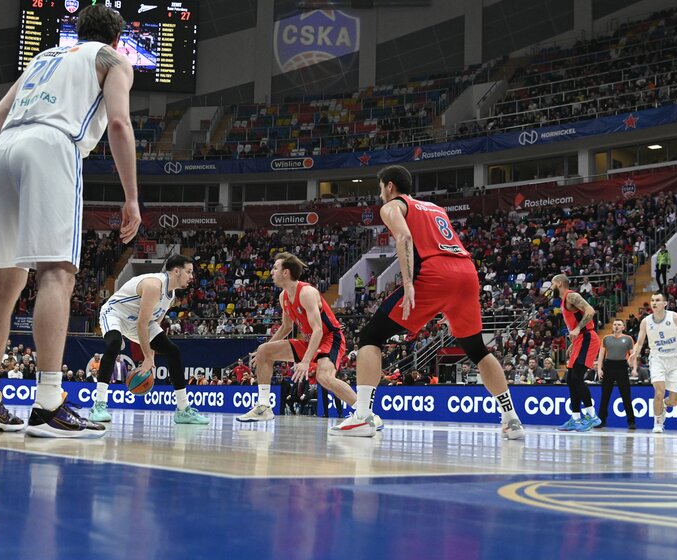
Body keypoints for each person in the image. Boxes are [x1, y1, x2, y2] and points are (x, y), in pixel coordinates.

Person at [0, 5, 141, 437]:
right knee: (57, 274)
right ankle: (47, 404)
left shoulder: (43, 56)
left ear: (76, 32)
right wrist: (132, 198)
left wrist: (3, 178)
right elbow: (119, 123)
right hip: (51, 144)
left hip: (5, 148)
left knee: (4, 285)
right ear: (117, 41)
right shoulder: (112, 60)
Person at [330, 165, 523, 438]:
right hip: (466, 272)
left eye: (380, 188)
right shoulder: (435, 208)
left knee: (370, 336)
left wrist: (408, 282)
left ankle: (363, 415)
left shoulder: (392, 206)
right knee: (477, 349)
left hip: (434, 274)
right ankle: (511, 420)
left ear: (389, 186)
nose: (380, 194)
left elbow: (405, 236)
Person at [235, 253, 382, 430]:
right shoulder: (283, 297)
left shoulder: (307, 293)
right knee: (264, 350)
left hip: (330, 338)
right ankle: (264, 407)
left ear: (285, 272)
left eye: (275, 267)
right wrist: (264, 349)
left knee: (324, 377)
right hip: (310, 340)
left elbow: (319, 330)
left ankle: (366, 415)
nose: (271, 271)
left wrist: (305, 362)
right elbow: (286, 327)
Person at [89, 255, 208, 425]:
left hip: (139, 322)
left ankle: (183, 410)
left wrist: (150, 363)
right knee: (115, 344)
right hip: (116, 315)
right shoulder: (154, 285)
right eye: (188, 272)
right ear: (176, 271)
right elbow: (142, 323)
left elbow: (154, 326)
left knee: (173, 351)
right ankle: (98, 405)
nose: (191, 277)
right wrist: (148, 357)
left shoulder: (170, 295)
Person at [628, 292, 677, 433]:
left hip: (675, 360)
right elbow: (639, 342)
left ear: (664, 304)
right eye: (652, 300)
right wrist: (635, 352)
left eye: (657, 300)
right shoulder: (646, 321)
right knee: (659, 391)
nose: (654, 303)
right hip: (657, 359)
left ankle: (664, 404)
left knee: (674, 401)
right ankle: (658, 423)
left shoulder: (676, 317)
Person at [550, 274, 602, 432]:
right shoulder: (564, 300)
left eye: (552, 283)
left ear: (559, 283)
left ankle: (592, 416)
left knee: (577, 378)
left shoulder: (571, 296)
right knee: (571, 379)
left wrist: (578, 329)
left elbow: (590, 311)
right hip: (579, 340)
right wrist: (574, 342)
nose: (550, 287)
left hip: (587, 338)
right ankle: (576, 418)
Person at [595, 319, 637, 429]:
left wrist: (634, 368)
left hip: (622, 367)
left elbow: (633, 355)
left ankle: (631, 422)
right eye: (614, 324)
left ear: (623, 327)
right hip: (608, 366)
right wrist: (599, 368)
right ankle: (602, 420)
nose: (616, 326)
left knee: (626, 395)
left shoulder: (628, 339)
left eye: (619, 325)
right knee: (605, 395)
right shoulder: (606, 338)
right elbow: (601, 355)